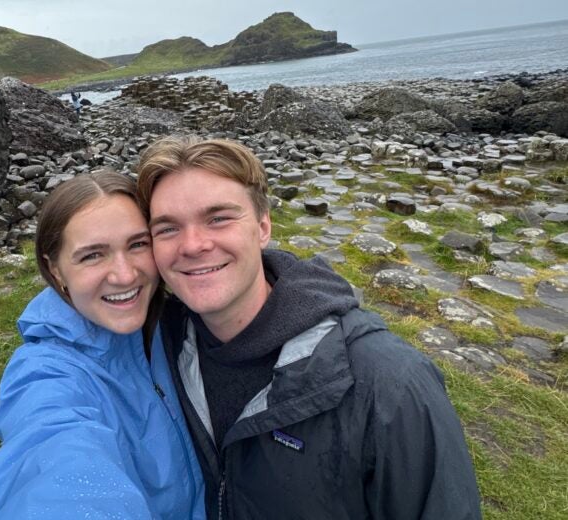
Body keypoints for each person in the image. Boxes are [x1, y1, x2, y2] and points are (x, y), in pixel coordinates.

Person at [135, 136, 482, 520]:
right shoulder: (154, 346)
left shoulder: (390, 385)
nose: (193, 245)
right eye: (167, 229)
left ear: (263, 226)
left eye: (218, 218)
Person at [0, 170, 205, 519]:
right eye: (92, 256)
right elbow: (51, 453)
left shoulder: (178, 321)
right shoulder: (46, 372)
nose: (125, 275)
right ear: (55, 271)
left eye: (137, 244)